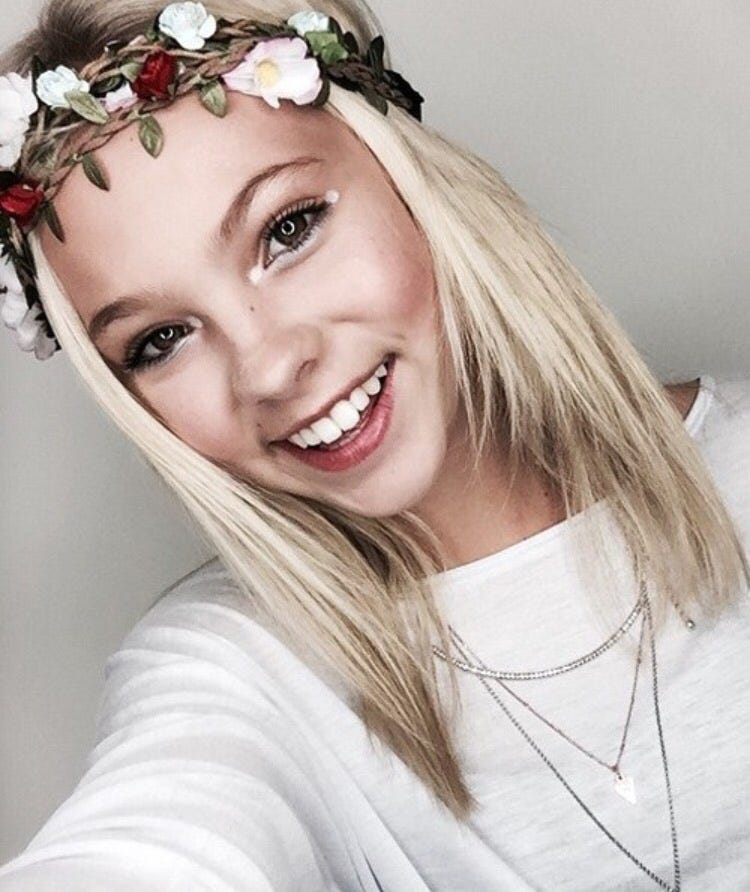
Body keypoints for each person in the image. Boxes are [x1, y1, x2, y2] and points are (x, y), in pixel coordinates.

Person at [0, 0, 748, 888]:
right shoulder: (226, 672)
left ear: (410, 180)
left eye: (288, 230)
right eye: (160, 341)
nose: (269, 366)